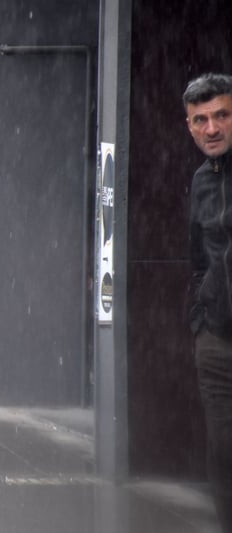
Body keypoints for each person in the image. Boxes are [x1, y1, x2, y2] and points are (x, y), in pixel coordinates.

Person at [184, 72, 232, 533]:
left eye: (221, 115)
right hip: (216, 339)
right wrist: (199, 313)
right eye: (201, 119)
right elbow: (198, 254)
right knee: (222, 452)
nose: (212, 128)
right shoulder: (201, 179)